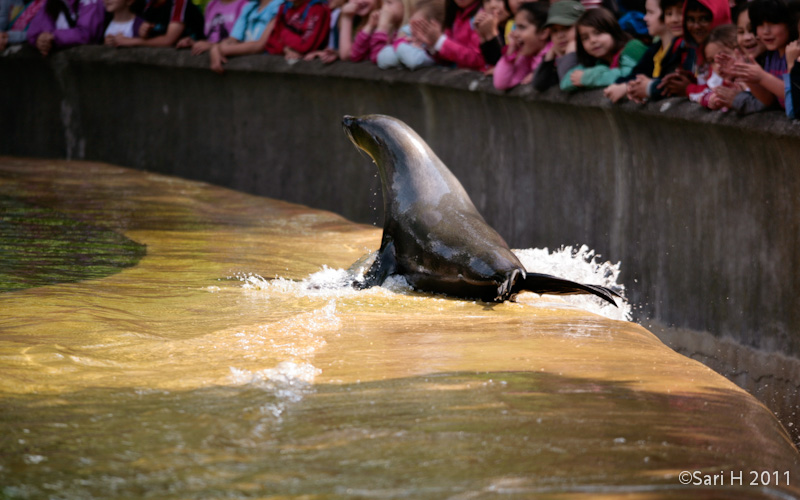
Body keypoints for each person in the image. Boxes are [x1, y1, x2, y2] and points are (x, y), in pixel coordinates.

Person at [607, 0, 687, 102]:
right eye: (669, 13)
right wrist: (630, 86)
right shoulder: (656, 49)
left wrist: (630, 88)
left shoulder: (683, 47)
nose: (645, 18)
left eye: (650, 12)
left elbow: (671, 83)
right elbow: (636, 74)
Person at [725, 0, 796, 109]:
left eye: (773, 23)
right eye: (760, 24)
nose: (766, 31)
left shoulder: (796, 52)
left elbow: (796, 97)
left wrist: (762, 77)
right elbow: (769, 100)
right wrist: (748, 76)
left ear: (791, 23)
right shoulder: (772, 55)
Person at [560, 7, 648, 91]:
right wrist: (599, 70)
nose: (592, 40)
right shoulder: (600, 61)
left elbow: (631, 76)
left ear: (612, 31)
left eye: (598, 33)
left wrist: (587, 78)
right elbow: (565, 82)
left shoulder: (632, 47)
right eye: (585, 38)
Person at [657, 0, 729, 97]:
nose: (696, 26)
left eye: (704, 19)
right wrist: (690, 79)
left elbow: (722, 91)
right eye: (691, 19)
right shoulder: (695, 50)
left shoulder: (729, 51)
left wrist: (688, 88)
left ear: (719, 16)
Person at [208, 0, 283, 73]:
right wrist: (216, 48)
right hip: (249, 70)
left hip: (269, 71)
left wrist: (222, 50)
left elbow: (260, 45)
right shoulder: (249, 7)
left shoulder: (281, 6)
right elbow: (233, 39)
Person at [410, 0, 485, 70]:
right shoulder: (454, 14)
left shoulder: (481, 16)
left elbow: (478, 60)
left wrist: (440, 41)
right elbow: (449, 60)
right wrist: (432, 44)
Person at [493, 1, 550, 88]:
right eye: (516, 27)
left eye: (522, 27)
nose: (515, 34)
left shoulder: (555, 54)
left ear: (543, 32)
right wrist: (511, 51)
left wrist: (538, 74)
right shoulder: (527, 57)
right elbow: (500, 83)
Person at [531, 0, 584, 90]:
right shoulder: (562, 56)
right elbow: (538, 84)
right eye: (554, 31)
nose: (560, 35)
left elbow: (568, 83)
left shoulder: (590, 57)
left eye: (566, 27)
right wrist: (549, 56)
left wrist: (570, 54)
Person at [375, 0, 443, 69]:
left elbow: (413, 60)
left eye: (417, 24)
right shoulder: (408, 37)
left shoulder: (432, 50)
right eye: (410, 21)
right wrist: (402, 46)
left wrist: (399, 44)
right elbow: (381, 59)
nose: (410, 27)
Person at [107, 0, 204, 47]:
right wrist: (143, 32)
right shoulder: (149, 7)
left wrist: (134, 41)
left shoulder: (180, 3)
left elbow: (168, 40)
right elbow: (148, 38)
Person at [26, 0, 106, 55]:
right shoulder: (51, 2)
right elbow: (35, 32)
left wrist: (53, 37)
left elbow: (86, 34)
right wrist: (41, 40)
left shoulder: (91, 2)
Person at [689, 23, 736, 108]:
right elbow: (700, 95)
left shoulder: (750, 80)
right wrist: (709, 99)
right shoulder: (717, 81)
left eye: (723, 57)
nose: (718, 66)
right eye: (712, 61)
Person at [263, 0, 330, 59]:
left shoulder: (317, 8)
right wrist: (285, 49)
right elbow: (271, 43)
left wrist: (284, 33)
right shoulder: (283, 7)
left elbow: (305, 46)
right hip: (286, 58)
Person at [176, 0, 247, 54]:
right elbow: (208, 39)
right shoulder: (211, 5)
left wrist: (213, 46)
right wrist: (194, 43)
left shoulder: (245, 5)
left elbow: (243, 42)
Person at [474, 0, 509, 67]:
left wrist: (492, 33)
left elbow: (502, 64)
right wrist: (483, 36)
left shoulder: (516, 26)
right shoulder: (491, 25)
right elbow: (491, 61)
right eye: (487, 1)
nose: (492, 5)